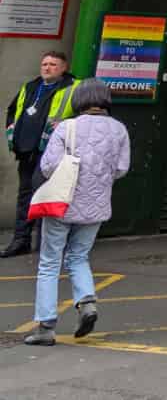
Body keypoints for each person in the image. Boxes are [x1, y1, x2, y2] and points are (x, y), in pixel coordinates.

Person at [22, 79, 127, 346]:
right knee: (79, 257)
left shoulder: (66, 127)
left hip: (62, 204)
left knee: (49, 262)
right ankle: (87, 302)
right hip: (97, 206)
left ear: (79, 99)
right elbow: (122, 168)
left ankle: (46, 326)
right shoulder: (119, 130)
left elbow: (48, 167)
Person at [5, 51, 76, 258]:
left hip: (53, 154)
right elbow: (12, 110)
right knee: (25, 196)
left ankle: (49, 244)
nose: (47, 67)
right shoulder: (30, 87)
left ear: (63, 68)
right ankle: (21, 240)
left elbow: (82, 116)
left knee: (50, 197)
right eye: (44, 64)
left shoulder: (73, 88)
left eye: (53, 64)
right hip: (27, 151)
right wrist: (12, 130)